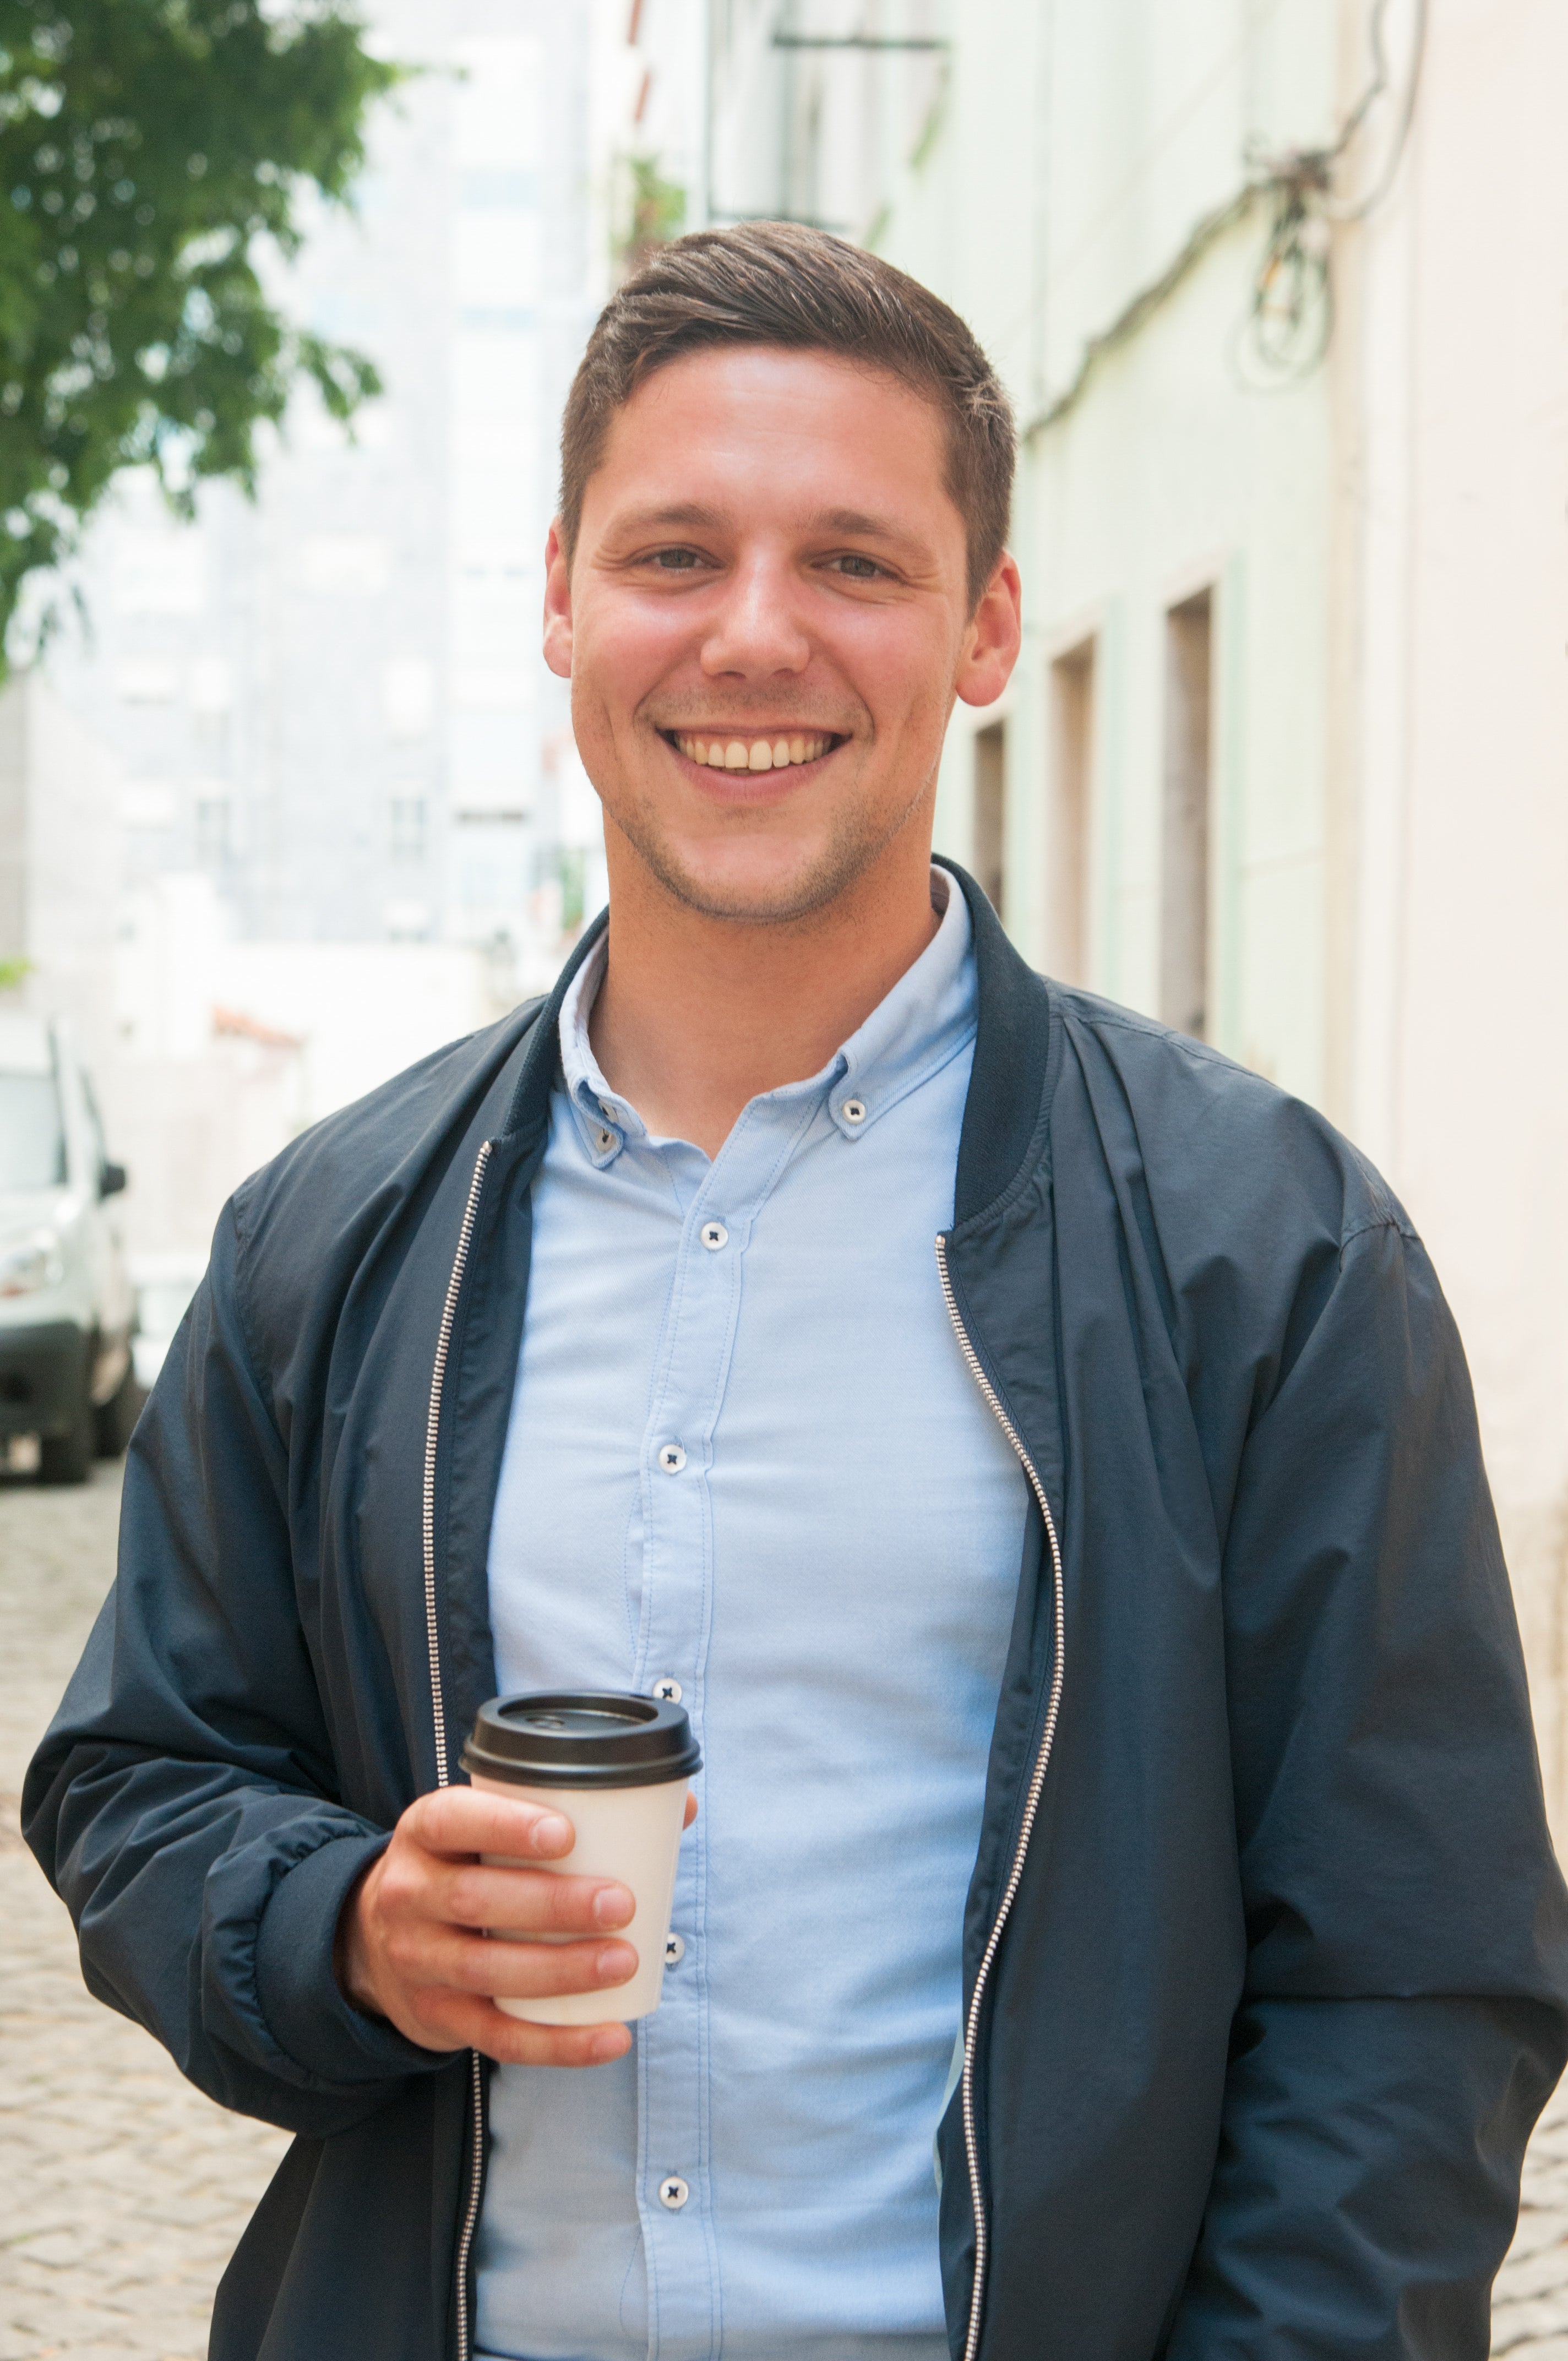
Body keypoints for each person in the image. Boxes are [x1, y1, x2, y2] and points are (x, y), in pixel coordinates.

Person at [24, 221, 1568, 2361]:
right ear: (557, 596)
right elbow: (143, 1774)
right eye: (676, 555)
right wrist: (348, 1926)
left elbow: (1409, 1973)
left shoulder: (1268, 1249)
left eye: (852, 560)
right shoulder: (330, 1232)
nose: (755, 635)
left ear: (983, 625)